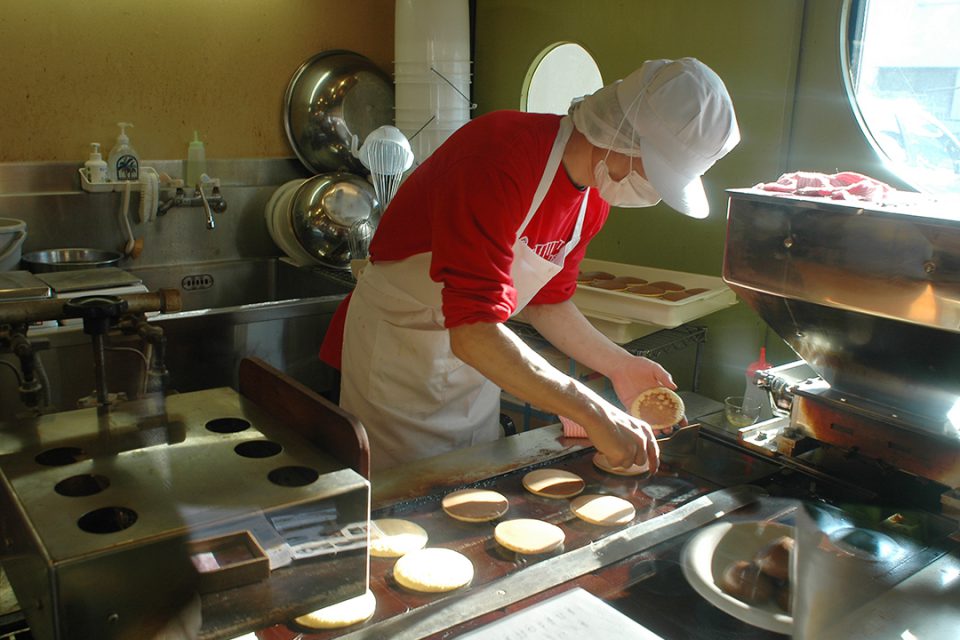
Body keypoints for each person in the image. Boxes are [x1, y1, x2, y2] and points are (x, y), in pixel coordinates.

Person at [320, 57, 740, 472]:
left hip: (476, 363)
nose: (652, 191)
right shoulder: (499, 157)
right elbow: (472, 333)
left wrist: (619, 365)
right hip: (400, 353)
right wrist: (593, 410)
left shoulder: (592, 198)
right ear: (623, 135)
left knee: (472, 481)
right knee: (403, 501)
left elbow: (546, 302)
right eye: (655, 172)